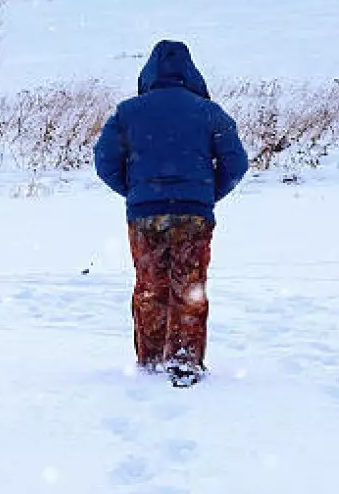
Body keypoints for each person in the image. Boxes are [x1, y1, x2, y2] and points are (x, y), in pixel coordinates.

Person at [94, 40, 249, 386]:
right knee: (189, 286)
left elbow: (104, 162)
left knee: (150, 285)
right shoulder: (210, 112)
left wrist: (137, 192)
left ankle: (149, 361)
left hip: (145, 214)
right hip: (194, 214)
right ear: (190, 72)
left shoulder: (127, 112)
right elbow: (236, 163)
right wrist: (206, 195)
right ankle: (183, 362)